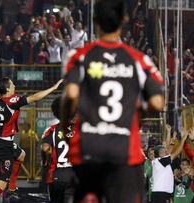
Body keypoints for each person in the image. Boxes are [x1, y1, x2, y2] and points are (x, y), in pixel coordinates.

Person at [61, 0, 164, 202]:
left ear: (95, 20)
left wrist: (65, 123)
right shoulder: (139, 60)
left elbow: (71, 95)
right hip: (124, 151)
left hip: (89, 149)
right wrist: (138, 115)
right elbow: (158, 102)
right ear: (124, 20)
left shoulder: (80, 57)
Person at [0, 72, 62, 203]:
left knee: (21, 155)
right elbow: (35, 98)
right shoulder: (12, 102)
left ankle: (12, 185)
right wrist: (53, 88)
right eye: (11, 84)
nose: (14, 85)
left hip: (0, 141)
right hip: (3, 147)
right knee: (0, 185)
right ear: (7, 89)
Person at [41, 97, 77, 203]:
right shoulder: (79, 129)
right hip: (74, 174)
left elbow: (45, 148)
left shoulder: (51, 130)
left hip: (56, 175)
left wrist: (45, 160)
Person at [152, 131, 189, 203]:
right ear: (159, 154)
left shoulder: (161, 162)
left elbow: (168, 151)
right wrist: (183, 139)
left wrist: (172, 141)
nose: (165, 151)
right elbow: (177, 152)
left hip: (162, 193)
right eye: (163, 151)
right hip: (160, 194)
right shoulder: (161, 161)